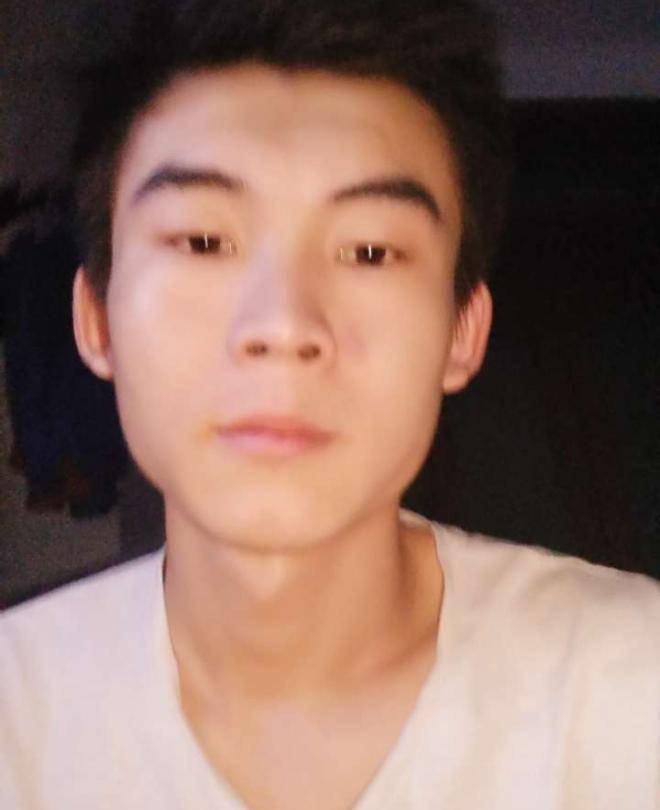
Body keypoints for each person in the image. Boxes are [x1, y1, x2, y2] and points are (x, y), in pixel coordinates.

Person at [1, 1, 658, 807]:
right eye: (203, 242)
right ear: (98, 320)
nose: (283, 326)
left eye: (370, 251)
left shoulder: (635, 691)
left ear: (462, 331)